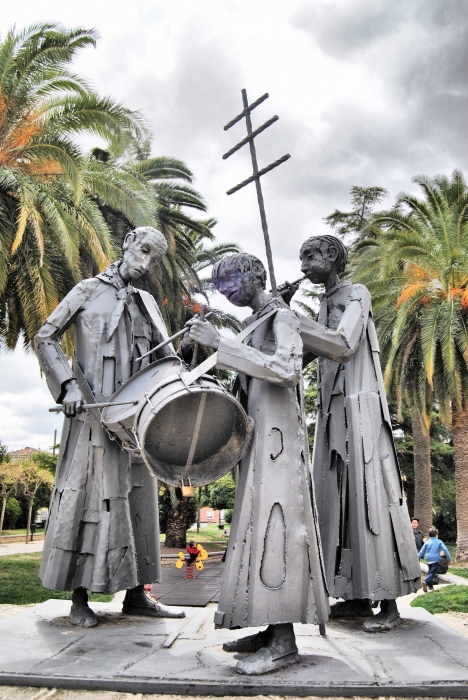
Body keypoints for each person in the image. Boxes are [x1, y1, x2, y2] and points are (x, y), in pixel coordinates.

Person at [34, 227, 185, 627]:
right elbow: (45, 337)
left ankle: (137, 595)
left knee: (138, 501)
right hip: (91, 416)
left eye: (155, 258)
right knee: (86, 499)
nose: (147, 262)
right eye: (144, 251)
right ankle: (78, 598)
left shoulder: (148, 302)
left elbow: (166, 356)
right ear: (128, 245)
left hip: (137, 420)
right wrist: (66, 385)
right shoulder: (85, 291)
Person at [187, 253, 329, 675]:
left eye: (231, 279)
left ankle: (284, 641)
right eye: (220, 283)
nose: (226, 289)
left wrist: (221, 344)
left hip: (279, 445)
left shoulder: (282, 317)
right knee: (257, 529)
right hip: (259, 443)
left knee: (277, 531)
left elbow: (287, 369)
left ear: (254, 275)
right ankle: (270, 629)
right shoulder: (258, 320)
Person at [289, 234, 421, 632]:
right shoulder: (324, 301)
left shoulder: (357, 293)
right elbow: (305, 353)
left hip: (360, 412)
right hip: (332, 415)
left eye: (309, 257)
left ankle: (391, 603)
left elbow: (343, 343)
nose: (303, 267)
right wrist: (275, 313)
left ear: (331, 255)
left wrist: (295, 321)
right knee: (338, 502)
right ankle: (357, 596)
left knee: (371, 500)